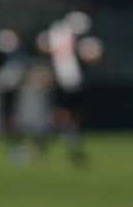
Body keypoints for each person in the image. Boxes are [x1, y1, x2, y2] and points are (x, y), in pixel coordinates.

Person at [37, 11, 102, 167]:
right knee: (64, 116)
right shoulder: (68, 36)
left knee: (69, 116)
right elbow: (89, 55)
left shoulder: (56, 32)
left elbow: (42, 45)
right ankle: (45, 144)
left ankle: (70, 145)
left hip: (65, 79)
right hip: (69, 80)